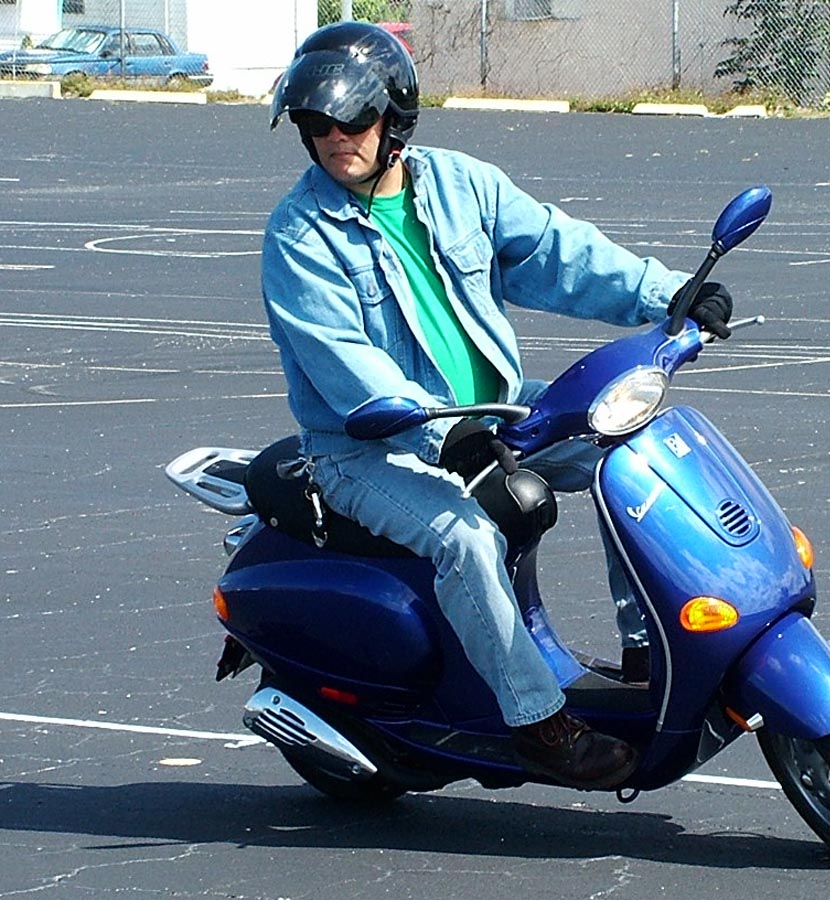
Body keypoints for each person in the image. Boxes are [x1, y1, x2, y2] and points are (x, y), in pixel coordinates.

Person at [260, 21, 734, 790]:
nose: (335, 137)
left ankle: (650, 646)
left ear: (395, 115)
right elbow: (346, 366)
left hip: (495, 414)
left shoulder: (461, 186)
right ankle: (540, 724)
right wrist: (444, 438)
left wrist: (670, 294)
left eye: (353, 118)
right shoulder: (299, 236)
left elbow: (558, 252)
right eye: (316, 123)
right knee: (467, 536)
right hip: (371, 448)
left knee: (634, 441)